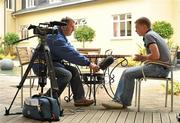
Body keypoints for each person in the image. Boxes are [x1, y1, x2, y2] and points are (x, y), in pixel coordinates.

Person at [102, 17, 171, 109]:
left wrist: (142, 57)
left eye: (137, 27)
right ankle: (121, 101)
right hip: (163, 68)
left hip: (159, 69)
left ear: (144, 26)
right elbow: (156, 56)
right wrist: (145, 58)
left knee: (128, 73)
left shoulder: (148, 36)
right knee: (127, 72)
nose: (135, 30)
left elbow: (156, 56)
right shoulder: (153, 34)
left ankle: (120, 101)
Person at [33, 17, 99, 107]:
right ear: (63, 26)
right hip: (41, 65)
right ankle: (48, 98)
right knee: (66, 74)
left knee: (73, 70)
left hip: (52, 63)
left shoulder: (59, 35)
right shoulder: (56, 38)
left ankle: (79, 99)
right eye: (72, 27)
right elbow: (70, 53)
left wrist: (85, 60)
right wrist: (88, 63)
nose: (74, 29)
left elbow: (71, 50)